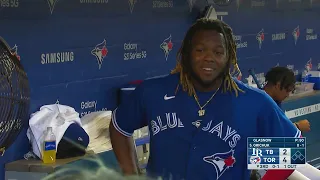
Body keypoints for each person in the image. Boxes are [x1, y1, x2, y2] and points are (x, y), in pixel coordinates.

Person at [109, 18, 300, 180]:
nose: (209, 58)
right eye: (200, 50)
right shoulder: (153, 91)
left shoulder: (253, 102)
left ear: (229, 57)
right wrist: (131, 175)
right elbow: (120, 127)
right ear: (186, 54)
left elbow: (290, 153)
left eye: (218, 52)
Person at [264, 67, 311, 132]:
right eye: (287, 91)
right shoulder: (260, 103)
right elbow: (268, 133)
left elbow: (278, 125)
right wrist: (297, 126)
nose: (287, 95)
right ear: (278, 85)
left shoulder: (276, 101)